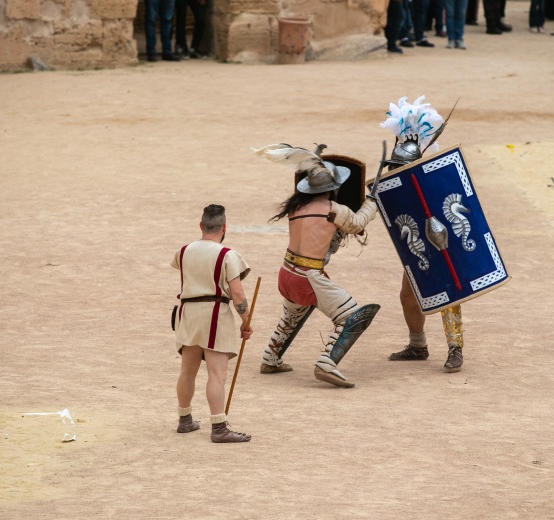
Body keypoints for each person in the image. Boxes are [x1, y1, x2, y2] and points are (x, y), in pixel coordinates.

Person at [254, 143, 381, 388]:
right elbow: (357, 223)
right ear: (333, 188)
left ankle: (271, 357)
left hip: (286, 273)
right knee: (351, 316)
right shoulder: (334, 210)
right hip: (308, 277)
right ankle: (326, 363)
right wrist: (373, 201)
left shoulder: (296, 207)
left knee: (291, 315)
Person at [379, 96, 464, 373]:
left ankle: (455, 349)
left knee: (449, 294)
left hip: (443, 243)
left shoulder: (433, 180)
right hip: (417, 245)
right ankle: (418, 345)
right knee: (408, 296)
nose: (394, 170)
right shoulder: (396, 186)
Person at [172, 204, 253, 443]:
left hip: (187, 313)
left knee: (187, 371)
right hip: (215, 313)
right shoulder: (227, 255)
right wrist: (246, 321)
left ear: (201, 225)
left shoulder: (184, 251)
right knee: (217, 375)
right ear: (224, 227)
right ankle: (219, 427)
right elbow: (237, 293)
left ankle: (184, 420)